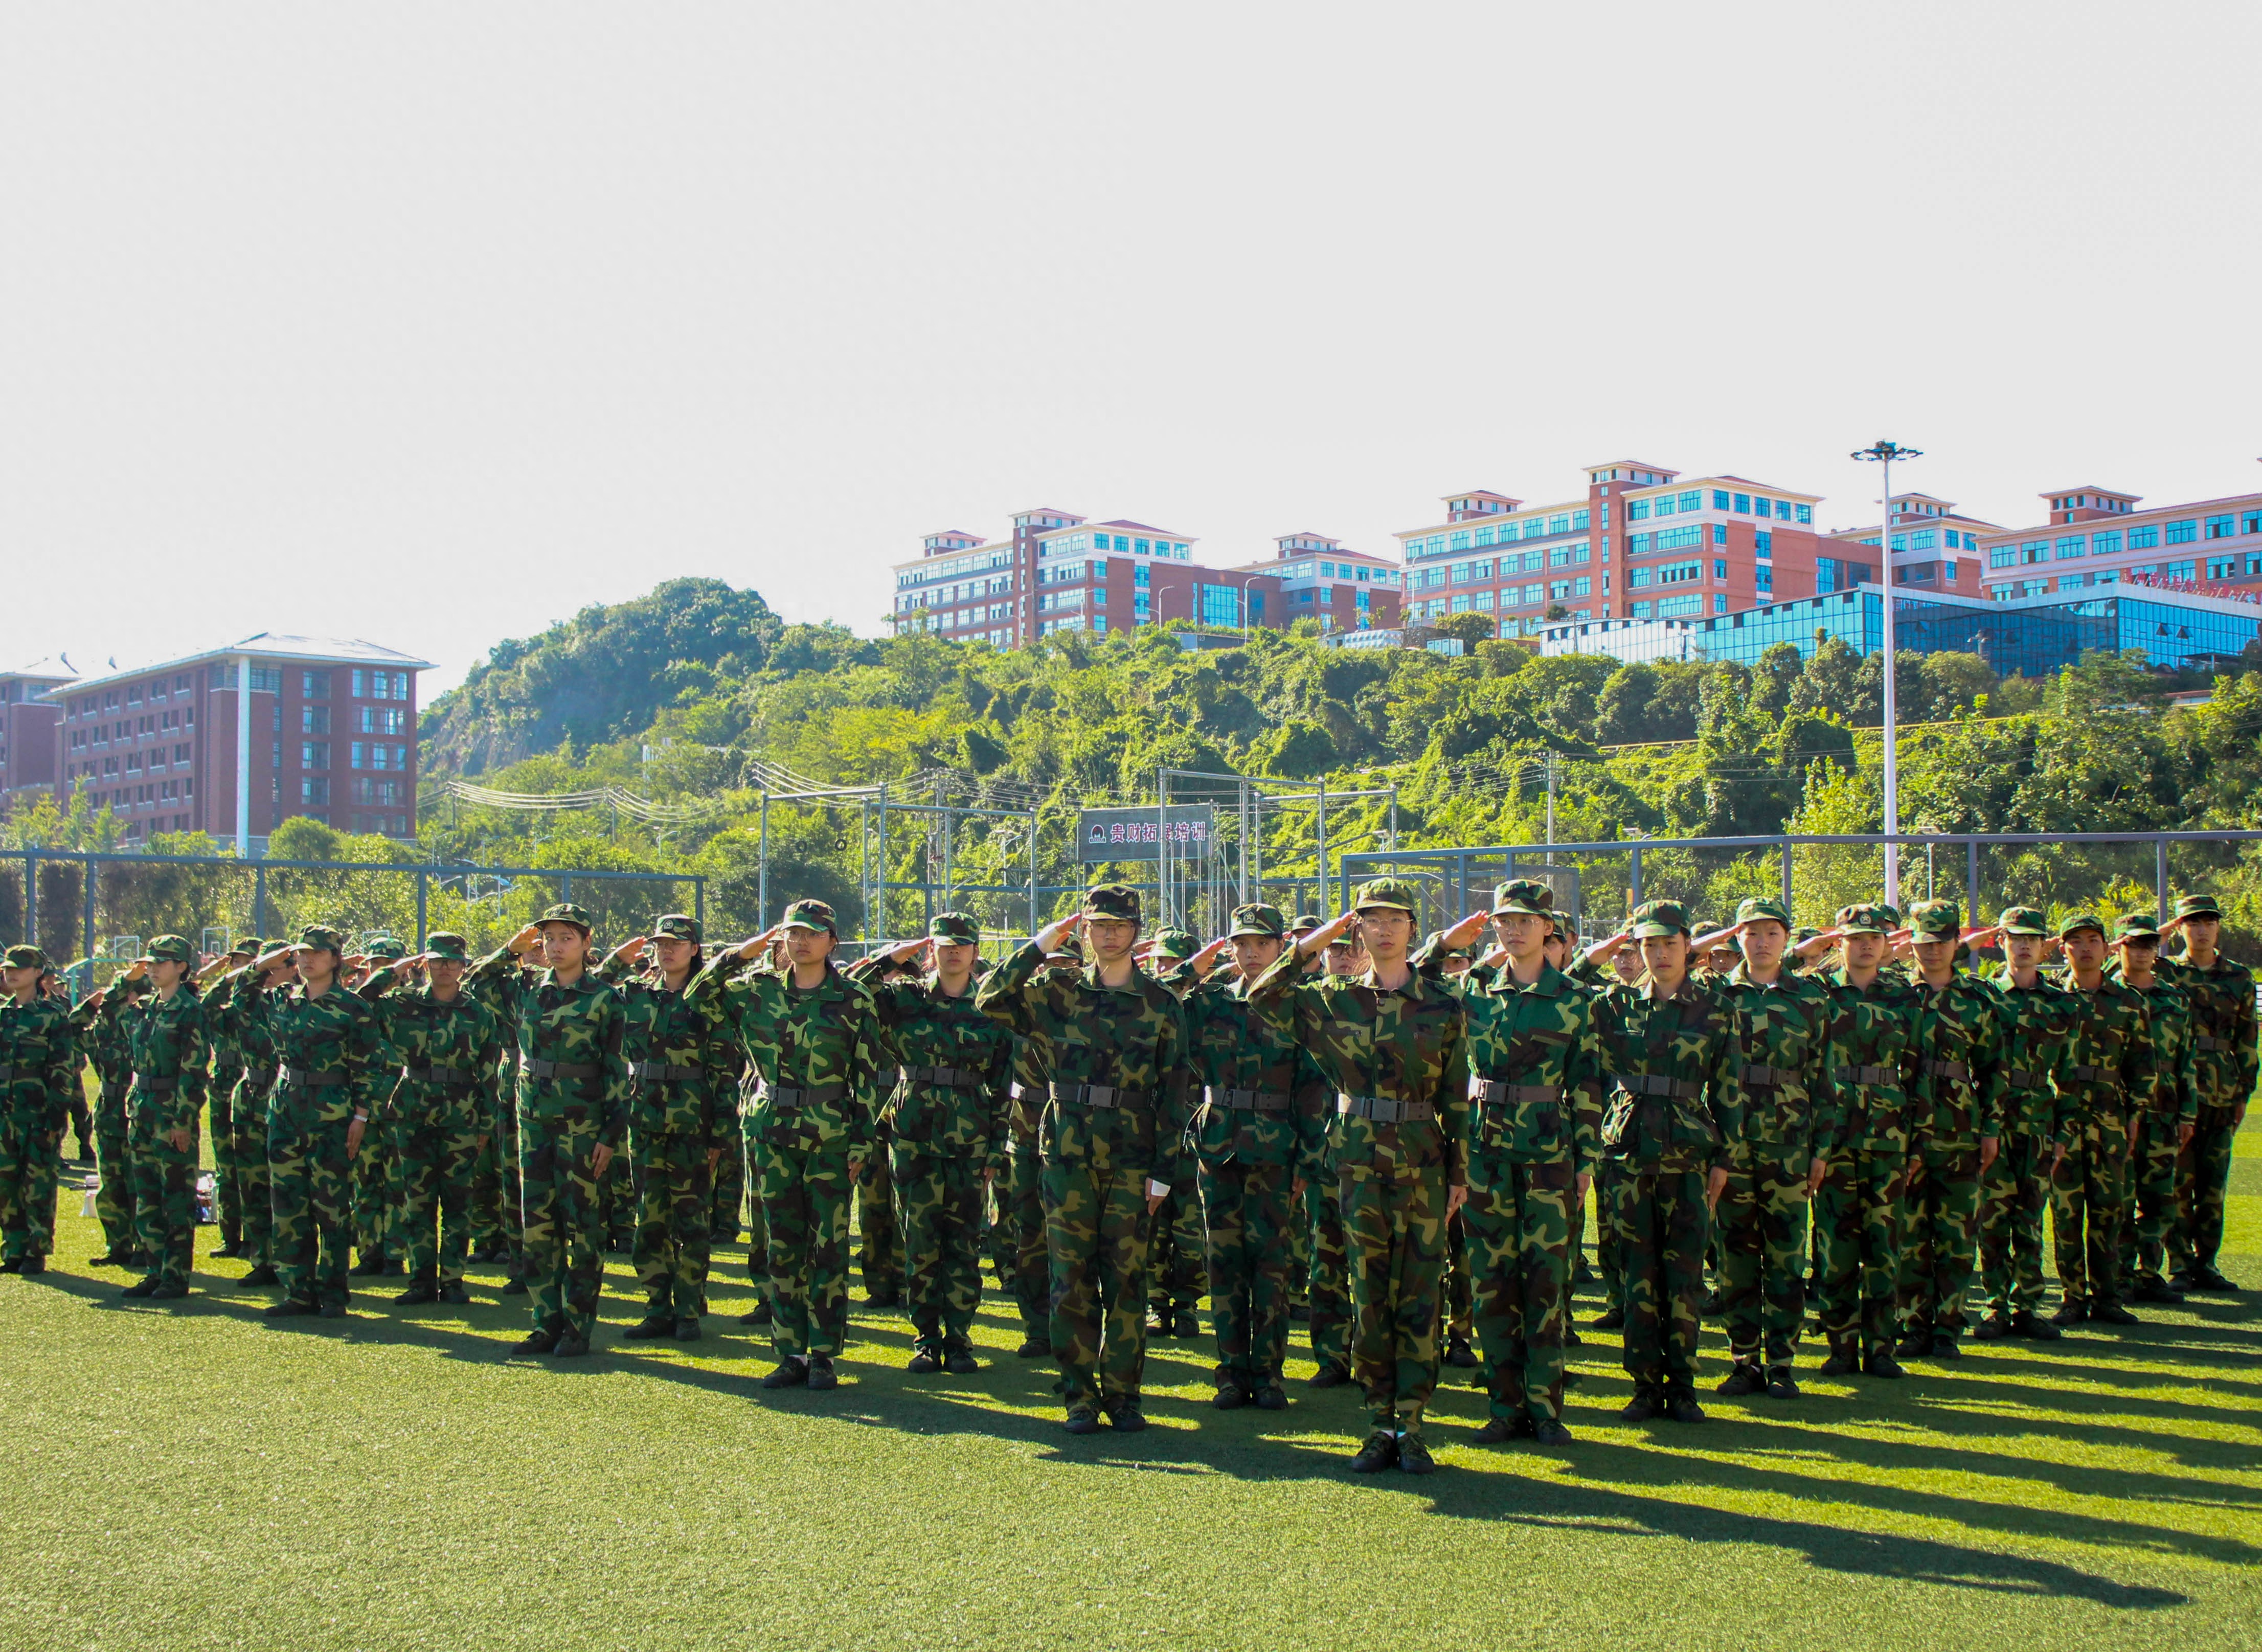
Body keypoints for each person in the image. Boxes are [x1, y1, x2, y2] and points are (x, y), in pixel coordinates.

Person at [1250, 880, 1467, 1476]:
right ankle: (1378, 1423)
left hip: (1422, 1164)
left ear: (1412, 928)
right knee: (1368, 1296)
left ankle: (1412, 1424)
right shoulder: (1332, 999)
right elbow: (1262, 995)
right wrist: (1309, 944)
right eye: (1372, 919)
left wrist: (1459, 1173)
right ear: (1357, 929)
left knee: (1419, 1296)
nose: (1385, 929)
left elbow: (1455, 1096)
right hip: (1357, 1165)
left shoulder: (1442, 1004)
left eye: (1396, 918)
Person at [975, 884, 1192, 1435]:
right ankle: (1079, 1396)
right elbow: (990, 997)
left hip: (1133, 1158)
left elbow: (1175, 1092)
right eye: (1099, 924)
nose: (1110, 934)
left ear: (1136, 931)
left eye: (1120, 924)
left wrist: (1164, 1173)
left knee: (1126, 1282)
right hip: (1067, 1155)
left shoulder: (1161, 1003)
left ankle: (1123, 1396)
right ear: (1085, 930)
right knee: (1069, 1280)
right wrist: (1041, 942)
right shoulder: (1058, 992)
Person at [1422, 880, 1600, 1445]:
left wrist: (1586, 1161)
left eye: (1526, 921)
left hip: (1548, 1154)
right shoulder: (1473, 991)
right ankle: (1504, 1407)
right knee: (1491, 1282)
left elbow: (1588, 1084)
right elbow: (1416, 981)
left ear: (1548, 928)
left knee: (1545, 1281)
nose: (1514, 930)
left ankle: (1545, 1409)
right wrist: (1443, 943)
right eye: (1504, 921)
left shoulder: (1574, 998)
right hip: (1485, 1152)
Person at [693, 900, 883, 1392]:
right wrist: (740, 954)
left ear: (832, 941)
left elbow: (868, 1075)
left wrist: (862, 1141)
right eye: (793, 932)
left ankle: (823, 1353)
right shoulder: (757, 990)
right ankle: (790, 1352)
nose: (801, 941)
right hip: (772, 1132)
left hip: (830, 1136)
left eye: (813, 933)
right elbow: (696, 996)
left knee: (828, 1247)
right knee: (780, 1244)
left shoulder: (854, 998)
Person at [1588, 900, 1742, 1424]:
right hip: (1629, 1155)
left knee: (1683, 1277)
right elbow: (1566, 985)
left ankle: (1682, 1386)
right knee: (1637, 1276)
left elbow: (1727, 1088)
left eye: (1668, 943)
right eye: (1647, 944)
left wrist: (1724, 1157)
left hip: (1687, 1157)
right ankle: (1644, 1386)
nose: (1658, 954)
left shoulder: (1715, 1008)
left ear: (1687, 946)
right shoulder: (1612, 1005)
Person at [849, 913, 1015, 1374]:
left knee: (963, 1243)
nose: (954, 952)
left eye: (963, 945)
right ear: (931, 950)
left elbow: (1003, 1084)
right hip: (914, 1138)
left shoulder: (991, 1006)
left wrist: (996, 1148)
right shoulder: (906, 998)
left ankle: (959, 1339)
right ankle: (926, 1338)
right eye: (945, 944)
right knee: (919, 1241)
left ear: (976, 952)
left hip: (970, 1140)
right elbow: (851, 991)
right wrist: (889, 959)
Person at [466, 904, 630, 1356]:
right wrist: (509, 950)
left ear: (586, 943)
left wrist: (610, 1135)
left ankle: (577, 1326)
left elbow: (617, 1069)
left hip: (583, 1124)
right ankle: (545, 1323)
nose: (556, 947)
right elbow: (475, 983)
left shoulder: (604, 998)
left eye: (566, 938)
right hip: (533, 1123)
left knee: (584, 1227)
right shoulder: (527, 991)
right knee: (537, 1228)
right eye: (549, 938)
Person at [1179, 903, 1317, 1411]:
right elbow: (1159, 1004)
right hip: (1219, 1148)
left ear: (1281, 946)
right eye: (1241, 943)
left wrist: (1307, 1159)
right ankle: (1231, 1374)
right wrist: (1191, 968)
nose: (1252, 952)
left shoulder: (1297, 1003)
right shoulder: (1210, 1000)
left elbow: (1313, 1089)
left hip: (1276, 1150)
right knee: (1223, 1265)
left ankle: (1269, 1374)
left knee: (1271, 1268)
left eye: (1262, 943)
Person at [1702, 897, 1835, 1399]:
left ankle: (1781, 1361)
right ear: (1736, 938)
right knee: (1735, 1256)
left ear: (1786, 939)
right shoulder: (1717, 996)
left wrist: (1821, 1149)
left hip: (1789, 1145)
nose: (1761, 942)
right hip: (1730, 1147)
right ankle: (1744, 1360)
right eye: (1751, 933)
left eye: (1771, 933)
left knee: (1785, 1256)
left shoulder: (1810, 999)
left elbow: (1823, 1077)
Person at [592, 914, 743, 1342]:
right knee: (650, 1221)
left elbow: (724, 1072)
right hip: (645, 1121)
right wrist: (618, 960)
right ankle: (658, 1308)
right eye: (661, 943)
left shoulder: (708, 999)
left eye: (677, 943)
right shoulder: (637, 994)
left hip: (693, 1123)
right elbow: (591, 988)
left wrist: (721, 1135)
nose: (667, 950)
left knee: (692, 1222)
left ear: (695, 949)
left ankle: (689, 1310)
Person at [223, 926, 383, 1319]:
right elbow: (238, 996)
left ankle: (333, 1293)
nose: (307, 959)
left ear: (335, 959)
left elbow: (368, 1067)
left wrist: (361, 1116)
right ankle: (298, 1291)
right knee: (288, 1204)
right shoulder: (282, 999)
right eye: (301, 953)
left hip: (332, 1111)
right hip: (286, 1109)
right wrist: (262, 964)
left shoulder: (353, 1007)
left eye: (317, 953)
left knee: (331, 1206)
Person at [357, 933, 506, 1308]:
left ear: (463, 967)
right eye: (438, 960)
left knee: (458, 1202)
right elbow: (359, 1004)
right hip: (414, 1112)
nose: (445, 968)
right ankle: (421, 1281)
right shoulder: (402, 1005)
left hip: (462, 1114)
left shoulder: (479, 1013)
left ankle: (453, 1281)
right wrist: (392, 971)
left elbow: (490, 1075)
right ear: (425, 963)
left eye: (453, 961)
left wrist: (486, 1125)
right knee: (417, 1201)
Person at [1811, 904, 1922, 1376]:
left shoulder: (1903, 995)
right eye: (1856, 938)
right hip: (1835, 1132)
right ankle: (1841, 1345)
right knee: (1836, 1245)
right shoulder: (1818, 992)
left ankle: (1880, 1346)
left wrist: (1918, 1141)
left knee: (1884, 1244)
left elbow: (1917, 1068)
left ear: (1886, 944)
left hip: (1888, 1134)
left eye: (1874, 938)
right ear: (1839, 942)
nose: (1865, 945)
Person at [1895, 901, 2002, 1360]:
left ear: (1957, 943)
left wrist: (1991, 1128)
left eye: (1941, 942)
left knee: (1957, 1236)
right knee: (1909, 1233)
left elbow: (1994, 1069)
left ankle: (1948, 1327)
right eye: (1924, 943)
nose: (1932, 951)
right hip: (1904, 1131)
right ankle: (1913, 1323)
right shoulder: (1897, 995)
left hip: (1959, 1130)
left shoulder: (1977, 1000)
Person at [1971, 908, 2072, 1342]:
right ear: (2001, 942)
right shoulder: (1986, 996)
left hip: (2038, 1121)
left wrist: (2063, 1133)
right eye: (2016, 937)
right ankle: (1996, 1305)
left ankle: (2027, 1304)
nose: (2025, 945)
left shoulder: (2060, 1002)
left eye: (2033, 938)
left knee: (2030, 1217)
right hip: (1993, 1118)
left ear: (2045, 945)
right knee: (1993, 1218)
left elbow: (2069, 1074)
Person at [2049, 912, 2153, 1329]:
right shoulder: (2053, 998)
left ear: (2107, 947)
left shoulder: (2128, 1001)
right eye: (2076, 940)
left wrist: (2136, 1112)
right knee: (2066, 1210)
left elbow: (2142, 1063)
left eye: (2094, 939)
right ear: (2064, 949)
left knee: (2110, 1209)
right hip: (2064, 1115)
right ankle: (2072, 1296)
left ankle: (2109, 1295)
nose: (2086, 947)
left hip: (2110, 1114)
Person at [98, 936, 211, 1300]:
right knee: (146, 1196)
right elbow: (108, 1008)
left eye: (161, 962)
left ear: (181, 967)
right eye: (150, 962)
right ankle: (154, 1270)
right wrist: (128, 978)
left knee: (175, 1197)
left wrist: (183, 1120)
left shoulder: (189, 1010)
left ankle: (175, 1276)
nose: (152, 968)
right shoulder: (146, 1008)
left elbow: (193, 1071)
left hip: (171, 1111)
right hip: (142, 1110)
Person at [2155, 894, 2255, 1292]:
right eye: (2192, 923)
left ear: (2218, 927)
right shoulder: (2166, 971)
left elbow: (2247, 1038)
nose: (2201, 930)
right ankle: (2180, 1264)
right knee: (2179, 1182)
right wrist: (2159, 936)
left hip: (2222, 1090)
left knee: (2213, 1185)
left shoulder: (2238, 977)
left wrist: (2244, 1091)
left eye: (2208, 922)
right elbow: (2116, 966)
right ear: (2179, 928)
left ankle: (2207, 1262)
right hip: (2177, 1090)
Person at [2111, 913, 2197, 1307]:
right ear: (2119, 947)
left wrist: (2188, 1113)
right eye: (2134, 944)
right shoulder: (2108, 994)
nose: (2144, 951)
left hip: (2164, 1111)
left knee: (2160, 1197)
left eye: (2150, 944)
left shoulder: (2175, 998)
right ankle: (2121, 1274)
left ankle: (2150, 1273)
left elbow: (2186, 1061)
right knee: (2121, 1197)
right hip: (2119, 1110)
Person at [1139, 927, 1209, 1341]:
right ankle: (1156, 1301)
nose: (1164, 968)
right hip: (1153, 1130)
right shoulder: (1148, 1005)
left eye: (1174, 961)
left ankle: (1186, 1304)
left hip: (1195, 1132)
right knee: (1152, 1224)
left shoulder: (1205, 1007)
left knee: (1190, 1228)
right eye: (1160, 961)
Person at [0, 946, 76, 1275]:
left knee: (38, 1186)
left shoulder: (52, 1015)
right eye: (8, 969)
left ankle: (36, 1250)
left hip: (38, 1113)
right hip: (5, 1115)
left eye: (19, 968)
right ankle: (13, 1249)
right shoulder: (4, 1014)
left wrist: (56, 1115)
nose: (11, 974)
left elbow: (62, 1068)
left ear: (37, 973)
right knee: (6, 1184)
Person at [71, 972, 144, 1268]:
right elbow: (71, 1028)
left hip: (137, 1110)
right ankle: (118, 1245)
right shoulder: (102, 1031)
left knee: (138, 1182)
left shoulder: (144, 1023)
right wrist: (90, 1006)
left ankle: (145, 1245)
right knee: (111, 1183)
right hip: (109, 1111)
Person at [196, 944, 254, 1257]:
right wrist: (222, 978)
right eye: (236, 964)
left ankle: (257, 1240)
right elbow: (204, 1007)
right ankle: (231, 1237)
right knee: (226, 1167)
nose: (241, 970)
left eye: (248, 964)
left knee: (254, 1169)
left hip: (255, 1091)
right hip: (223, 1090)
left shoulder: (263, 1005)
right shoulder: (223, 1011)